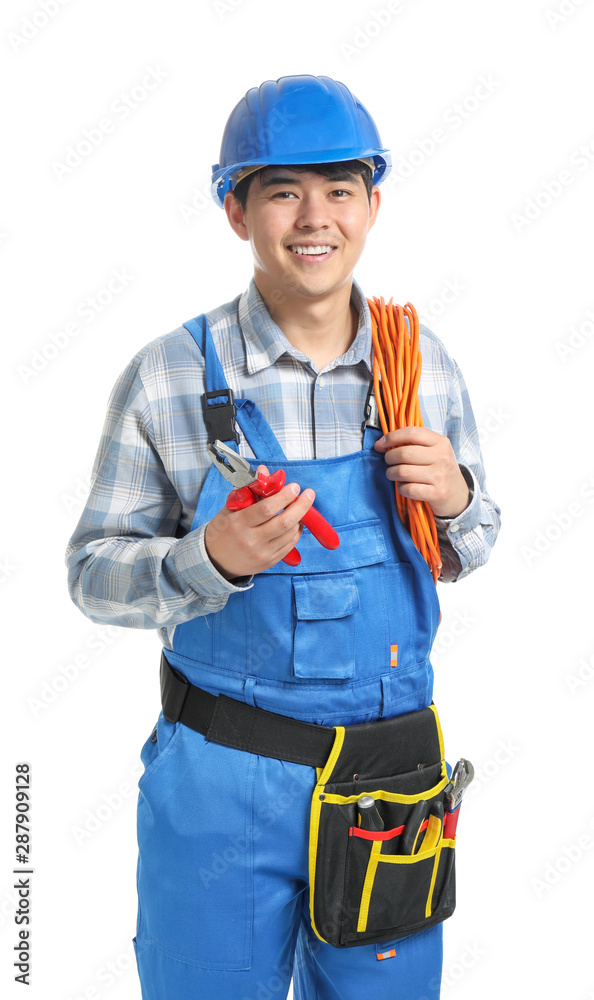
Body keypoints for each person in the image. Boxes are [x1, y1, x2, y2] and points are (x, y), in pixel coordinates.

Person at [65, 74, 500, 1000]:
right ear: (236, 210)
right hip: (223, 785)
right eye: (282, 191)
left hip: (390, 789)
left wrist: (458, 501)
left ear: (373, 205)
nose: (315, 218)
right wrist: (207, 558)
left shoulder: (418, 367)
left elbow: (476, 538)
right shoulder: (169, 378)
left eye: (340, 190)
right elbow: (91, 573)